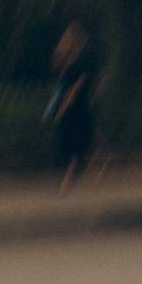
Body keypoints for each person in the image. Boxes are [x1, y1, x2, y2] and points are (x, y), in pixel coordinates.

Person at [49, 19, 99, 183]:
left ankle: (67, 180)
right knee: (78, 142)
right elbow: (62, 81)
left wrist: (63, 107)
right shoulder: (71, 57)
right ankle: (96, 169)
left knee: (74, 142)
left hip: (77, 104)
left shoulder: (83, 58)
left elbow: (76, 86)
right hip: (75, 103)